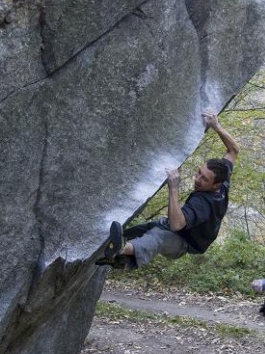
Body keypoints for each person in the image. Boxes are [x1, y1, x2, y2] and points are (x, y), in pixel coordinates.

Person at [98, 109, 238, 270]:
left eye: (204, 179)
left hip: (184, 242)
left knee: (159, 237)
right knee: (142, 230)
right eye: (199, 172)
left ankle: (120, 249)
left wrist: (173, 188)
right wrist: (216, 126)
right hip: (183, 231)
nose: (197, 179)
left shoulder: (203, 204)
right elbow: (233, 150)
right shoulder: (223, 178)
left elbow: (177, 225)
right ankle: (121, 259)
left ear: (215, 185)